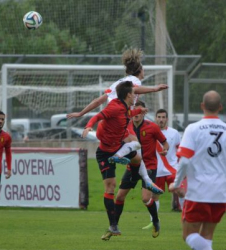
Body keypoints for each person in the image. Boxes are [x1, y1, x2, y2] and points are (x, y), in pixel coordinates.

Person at [68, 48, 167, 193]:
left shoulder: (118, 83)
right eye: (143, 68)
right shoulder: (133, 81)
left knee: (137, 151)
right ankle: (118, 157)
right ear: (139, 70)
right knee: (135, 145)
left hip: (116, 120)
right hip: (118, 121)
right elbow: (135, 89)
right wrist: (155, 88)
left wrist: (81, 113)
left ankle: (146, 180)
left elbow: (98, 101)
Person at [169, 91, 226, 250]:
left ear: (202, 106)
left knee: (188, 235)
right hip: (221, 192)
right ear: (220, 107)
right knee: (206, 236)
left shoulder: (193, 129)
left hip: (199, 191)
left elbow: (185, 160)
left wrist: (177, 183)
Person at [82, 81, 148, 240]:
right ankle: (113, 224)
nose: (136, 95)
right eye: (134, 93)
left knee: (137, 157)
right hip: (104, 153)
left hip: (118, 147)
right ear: (128, 95)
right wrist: (88, 126)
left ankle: (130, 172)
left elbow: (127, 115)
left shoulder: (126, 108)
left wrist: (139, 110)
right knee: (110, 187)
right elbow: (97, 116)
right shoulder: (114, 106)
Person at [113, 101, 169, 240]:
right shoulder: (126, 127)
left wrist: (165, 149)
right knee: (119, 197)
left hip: (149, 166)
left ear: (143, 113)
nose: (136, 114)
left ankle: (155, 221)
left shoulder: (152, 127)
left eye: (139, 111)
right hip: (132, 166)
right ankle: (114, 225)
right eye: (134, 111)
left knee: (145, 198)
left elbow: (165, 142)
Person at [142, 108, 183, 230]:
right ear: (155, 118)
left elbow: (180, 150)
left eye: (163, 117)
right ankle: (154, 221)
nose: (161, 119)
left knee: (180, 191)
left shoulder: (174, 133)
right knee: (154, 196)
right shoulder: (149, 132)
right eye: (159, 117)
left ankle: (187, 217)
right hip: (156, 170)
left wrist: (181, 166)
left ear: (167, 119)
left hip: (171, 169)